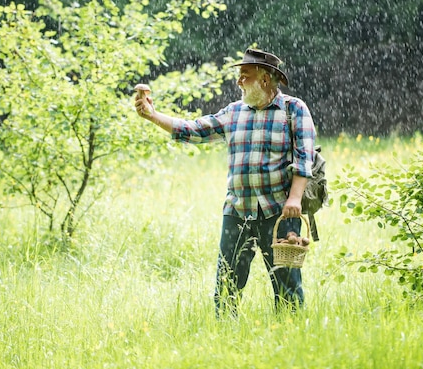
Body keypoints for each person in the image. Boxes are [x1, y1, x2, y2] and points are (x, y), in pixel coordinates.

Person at [134, 48, 317, 315]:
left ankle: (292, 334)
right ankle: (225, 333)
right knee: (227, 283)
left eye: (245, 75)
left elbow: (304, 158)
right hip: (237, 211)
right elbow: (194, 129)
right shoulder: (233, 112)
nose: (239, 81)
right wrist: (153, 115)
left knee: (287, 285)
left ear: (265, 79)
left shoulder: (294, 110)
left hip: (279, 212)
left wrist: (295, 199)